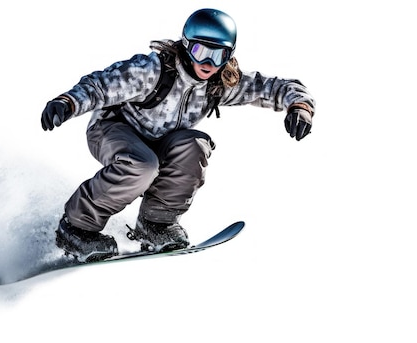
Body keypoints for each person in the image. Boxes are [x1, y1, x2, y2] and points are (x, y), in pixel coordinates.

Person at [40, 8, 315, 262]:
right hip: (114, 129)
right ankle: (77, 228)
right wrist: (68, 102)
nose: (207, 62)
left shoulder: (219, 84)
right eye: (199, 50)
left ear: (229, 56)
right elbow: (101, 85)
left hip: (160, 142)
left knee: (195, 145)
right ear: (186, 46)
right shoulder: (152, 70)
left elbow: (275, 87)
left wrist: (299, 106)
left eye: (217, 55)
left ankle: (156, 223)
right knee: (142, 165)